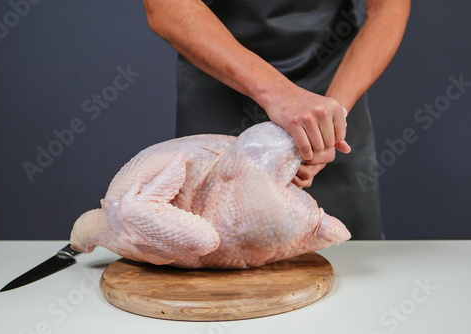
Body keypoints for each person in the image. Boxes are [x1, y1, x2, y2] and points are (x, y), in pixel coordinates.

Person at [142, 0, 410, 239]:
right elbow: (165, 6)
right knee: (208, 251)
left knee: (345, 261)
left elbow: (388, 7)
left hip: (333, 80)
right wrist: (278, 93)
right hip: (220, 79)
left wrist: (333, 117)